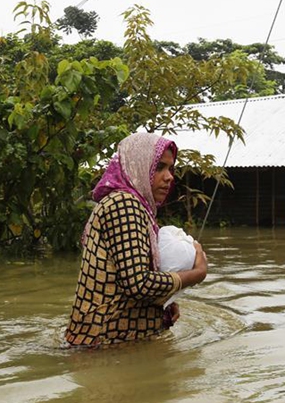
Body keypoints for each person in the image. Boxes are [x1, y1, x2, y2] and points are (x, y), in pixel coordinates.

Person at [65, 133, 208, 347]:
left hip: (112, 345)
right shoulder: (124, 204)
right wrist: (196, 274)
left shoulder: (135, 206)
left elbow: (125, 281)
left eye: (170, 168)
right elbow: (138, 284)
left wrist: (164, 302)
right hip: (104, 348)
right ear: (138, 167)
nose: (169, 177)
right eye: (159, 167)